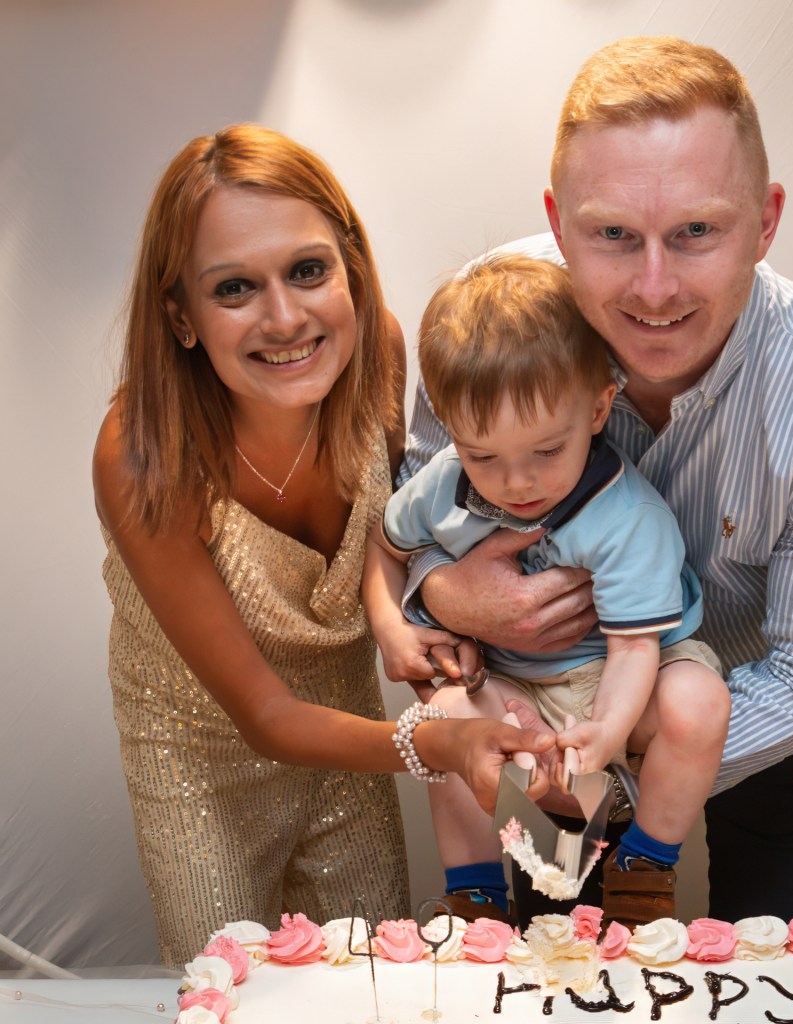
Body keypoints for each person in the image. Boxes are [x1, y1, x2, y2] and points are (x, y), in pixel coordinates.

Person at [399, 37, 793, 928]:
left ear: (766, 221)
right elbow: (421, 510)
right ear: (558, 221)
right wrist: (447, 594)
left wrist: (632, 753)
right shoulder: (485, 330)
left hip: (786, 709)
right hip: (554, 700)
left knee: (788, 978)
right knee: (556, 972)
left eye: (696, 233)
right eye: (612, 235)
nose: (653, 287)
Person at [93, 124, 552, 965]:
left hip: (348, 734)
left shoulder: (379, 352)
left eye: (308, 270)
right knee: (227, 993)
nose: (285, 318)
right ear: (181, 315)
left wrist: (429, 614)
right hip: (199, 760)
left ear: (350, 268)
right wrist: (438, 741)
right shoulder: (141, 452)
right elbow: (265, 718)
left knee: (368, 983)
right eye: (235, 288)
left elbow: (401, 533)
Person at [362, 254, 730, 928]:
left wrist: (606, 733)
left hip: (624, 674)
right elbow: (384, 548)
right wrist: (389, 626)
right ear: (451, 427)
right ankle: (476, 896)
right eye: (483, 456)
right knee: (443, 720)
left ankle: (644, 863)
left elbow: (634, 651)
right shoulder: (441, 481)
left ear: (598, 409)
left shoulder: (629, 517)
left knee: (699, 700)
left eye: (546, 451)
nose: (517, 482)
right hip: (514, 683)